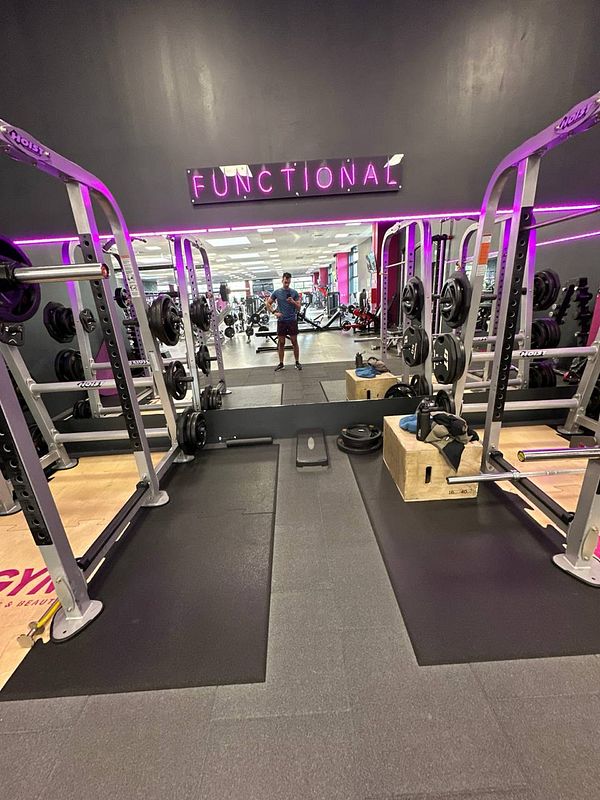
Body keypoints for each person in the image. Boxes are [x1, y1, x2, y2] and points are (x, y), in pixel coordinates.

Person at [266, 272, 302, 371]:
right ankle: (281, 363)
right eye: (285, 282)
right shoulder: (276, 292)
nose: (287, 284)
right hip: (281, 321)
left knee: (294, 341)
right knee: (281, 343)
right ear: (282, 280)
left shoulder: (294, 292)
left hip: (292, 321)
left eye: (288, 282)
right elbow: (268, 303)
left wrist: (293, 302)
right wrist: (274, 312)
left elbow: (299, 308)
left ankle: (297, 362)